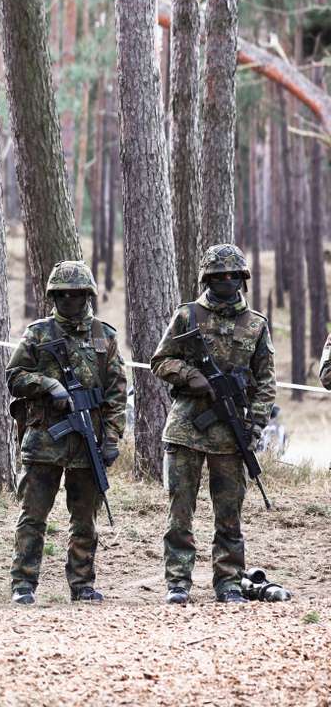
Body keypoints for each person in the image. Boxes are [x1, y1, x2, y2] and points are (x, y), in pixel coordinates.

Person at [151, 244, 276, 605]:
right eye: (219, 276)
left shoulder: (256, 324)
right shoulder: (187, 316)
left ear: (243, 279)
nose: (226, 281)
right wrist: (192, 376)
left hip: (231, 433)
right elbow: (160, 360)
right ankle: (178, 583)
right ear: (207, 278)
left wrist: (254, 425)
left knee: (229, 516)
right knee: (180, 513)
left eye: (233, 275)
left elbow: (266, 382)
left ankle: (229, 582)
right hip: (187, 429)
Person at [6, 260, 126, 606]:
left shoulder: (105, 336)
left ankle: (82, 584)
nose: (71, 301)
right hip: (46, 440)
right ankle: (23, 584)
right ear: (54, 297)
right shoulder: (38, 334)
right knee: (33, 517)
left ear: (88, 295)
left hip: (87, 444)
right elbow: (14, 378)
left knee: (85, 520)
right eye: (64, 295)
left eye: (77, 295)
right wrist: (48, 385)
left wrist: (112, 438)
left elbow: (117, 393)